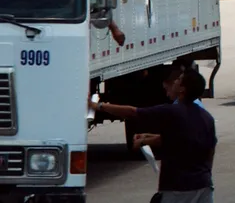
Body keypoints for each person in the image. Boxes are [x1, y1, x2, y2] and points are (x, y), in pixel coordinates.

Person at [90, 67, 217, 203]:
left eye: (178, 80)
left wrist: (99, 106)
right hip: (204, 186)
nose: (173, 82)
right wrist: (146, 139)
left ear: (182, 89)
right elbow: (194, 144)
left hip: (178, 188)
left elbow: (133, 113)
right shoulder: (206, 117)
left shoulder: (171, 112)